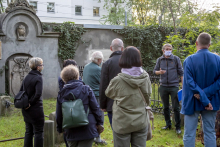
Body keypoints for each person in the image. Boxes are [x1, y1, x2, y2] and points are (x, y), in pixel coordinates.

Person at [105, 46, 151, 147]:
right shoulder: (145, 77)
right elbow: (148, 95)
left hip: (122, 122)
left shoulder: (118, 80)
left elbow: (109, 93)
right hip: (140, 119)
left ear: (123, 59)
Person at [181, 32, 220, 147]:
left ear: (196, 43)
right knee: (209, 132)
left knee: (189, 133)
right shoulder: (218, 60)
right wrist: (206, 98)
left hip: (192, 101)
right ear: (209, 44)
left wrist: (203, 96)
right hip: (211, 101)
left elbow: (190, 83)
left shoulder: (189, 60)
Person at [56, 65, 104, 147]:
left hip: (70, 128)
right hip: (88, 127)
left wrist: (60, 129)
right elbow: (95, 108)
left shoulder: (61, 94)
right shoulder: (86, 89)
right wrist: (99, 123)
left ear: (64, 78)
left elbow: (59, 114)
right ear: (77, 76)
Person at [153, 43, 183, 134]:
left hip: (174, 86)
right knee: (165, 107)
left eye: (170, 49)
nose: (168, 50)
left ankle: (178, 127)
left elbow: (181, 72)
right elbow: (155, 71)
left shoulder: (176, 59)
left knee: (176, 107)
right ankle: (168, 124)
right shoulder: (160, 59)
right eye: (167, 49)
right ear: (163, 50)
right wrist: (159, 72)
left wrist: (183, 85)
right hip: (163, 86)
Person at [83, 51, 106, 145]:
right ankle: (98, 138)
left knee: (89, 116)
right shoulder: (98, 69)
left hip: (86, 95)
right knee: (99, 116)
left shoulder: (86, 67)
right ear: (99, 59)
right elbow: (102, 83)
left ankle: (90, 135)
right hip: (96, 95)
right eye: (101, 60)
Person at [100, 38, 124, 127]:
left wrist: (103, 105)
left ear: (111, 48)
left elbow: (103, 85)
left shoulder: (107, 63)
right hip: (128, 102)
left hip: (112, 102)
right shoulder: (129, 62)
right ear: (122, 48)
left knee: (116, 130)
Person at [21, 57, 44, 147]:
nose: (42, 66)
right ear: (38, 67)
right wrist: (30, 103)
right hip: (35, 109)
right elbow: (38, 94)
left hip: (26, 109)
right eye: (42, 65)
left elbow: (21, 91)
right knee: (38, 132)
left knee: (29, 131)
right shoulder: (38, 77)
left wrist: (26, 104)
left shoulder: (27, 77)